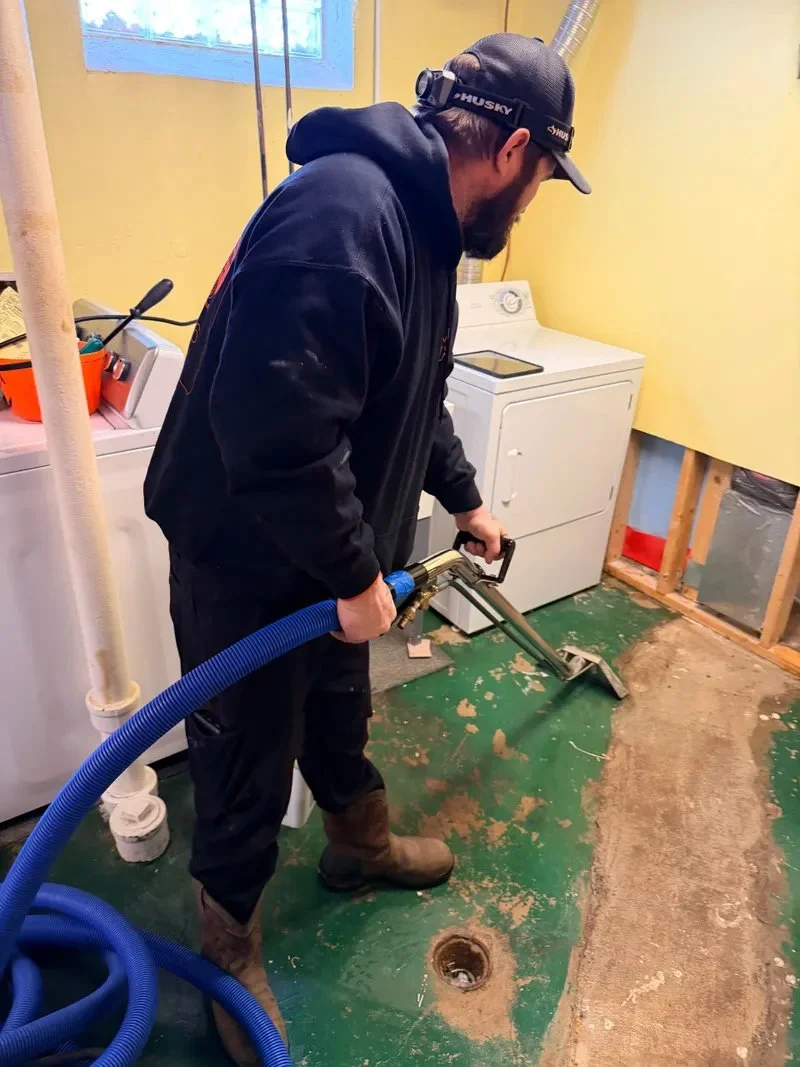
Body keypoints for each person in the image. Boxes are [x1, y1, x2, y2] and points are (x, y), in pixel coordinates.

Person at [144, 31, 589, 1064]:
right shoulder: (342, 216)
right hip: (247, 558)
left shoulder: (424, 233)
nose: (532, 200)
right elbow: (274, 434)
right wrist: (352, 574)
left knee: (339, 711)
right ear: (512, 150)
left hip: (329, 559)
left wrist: (464, 500)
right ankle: (228, 951)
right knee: (247, 756)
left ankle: (358, 843)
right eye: (540, 178)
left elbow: (411, 394)